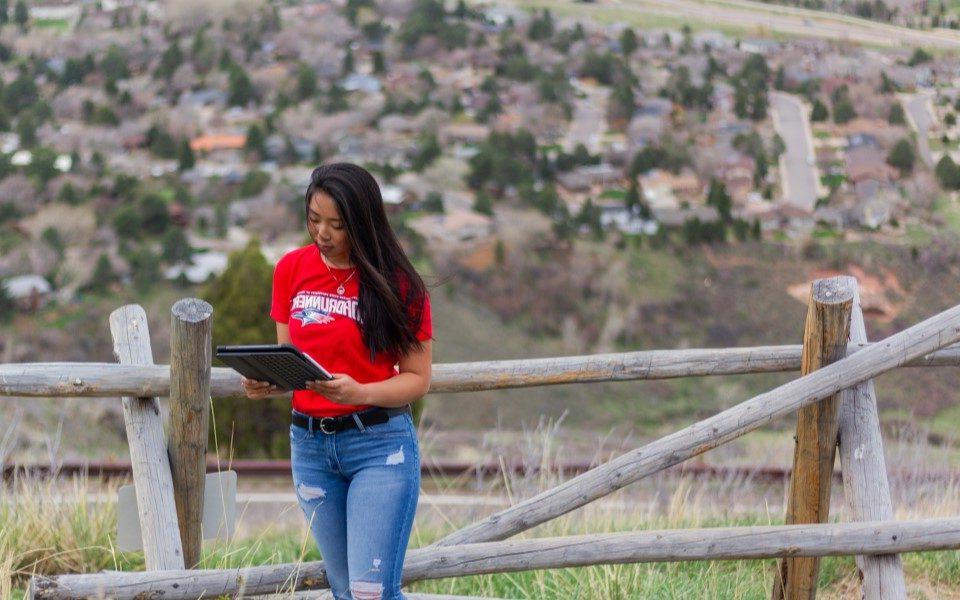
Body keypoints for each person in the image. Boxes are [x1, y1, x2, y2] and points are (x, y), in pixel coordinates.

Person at [241, 162, 432, 600]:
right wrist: (270, 381)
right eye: (313, 219)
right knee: (345, 590)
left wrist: (361, 391)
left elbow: (418, 379)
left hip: (378, 445)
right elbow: (294, 361)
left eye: (336, 224)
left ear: (363, 223)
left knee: (370, 592)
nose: (322, 233)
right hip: (310, 448)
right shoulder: (291, 268)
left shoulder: (399, 285)